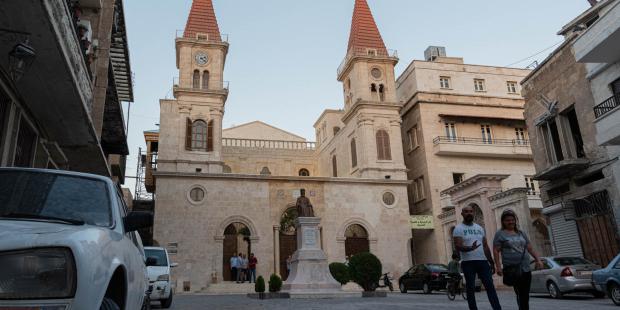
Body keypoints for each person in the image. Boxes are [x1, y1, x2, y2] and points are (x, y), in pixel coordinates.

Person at [453, 205, 502, 310]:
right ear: (462, 214)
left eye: (471, 211)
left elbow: (485, 246)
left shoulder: (479, 228)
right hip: (468, 262)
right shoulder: (458, 228)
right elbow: (458, 246)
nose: (469, 213)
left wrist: (491, 262)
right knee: (470, 289)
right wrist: (471, 248)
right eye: (466, 211)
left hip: (483, 262)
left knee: (490, 287)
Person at [493, 210, 543, 310]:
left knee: (525, 294)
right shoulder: (500, 234)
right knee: (521, 293)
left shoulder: (521, 233)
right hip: (512, 269)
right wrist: (498, 267)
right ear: (503, 222)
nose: (510, 222)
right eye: (507, 220)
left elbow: (530, 248)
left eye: (512, 220)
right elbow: (495, 250)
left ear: (515, 220)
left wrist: (538, 259)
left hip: (525, 268)